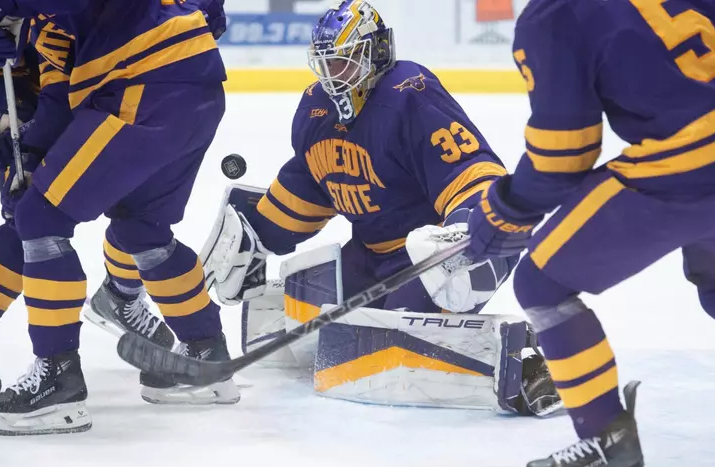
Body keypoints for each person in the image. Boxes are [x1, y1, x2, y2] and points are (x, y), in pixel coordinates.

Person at [465, 0, 715, 467]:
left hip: (686, 171)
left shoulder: (551, 15)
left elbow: (563, 156)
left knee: (541, 282)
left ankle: (607, 450)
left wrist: (504, 208)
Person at [200, 0, 560, 417]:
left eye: (346, 64)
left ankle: (530, 366)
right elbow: (309, 182)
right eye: (328, 65)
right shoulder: (315, 109)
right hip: (370, 256)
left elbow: (471, 172)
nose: (335, 79)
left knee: (391, 345)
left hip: (432, 257)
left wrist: (464, 231)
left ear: (377, 53)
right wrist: (256, 234)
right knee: (328, 344)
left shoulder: (409, 94)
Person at [0, 0, 236, 436]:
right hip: (191, 80)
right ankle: (207, 356)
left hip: (141, 80)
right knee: (141, 227)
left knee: (39, 215)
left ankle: (58, 379)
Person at [0, 0, 174, 417]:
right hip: (41, 106)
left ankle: (122, 298)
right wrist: (4, 115)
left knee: (135, 203)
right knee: (30, 221)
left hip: (102, 94)